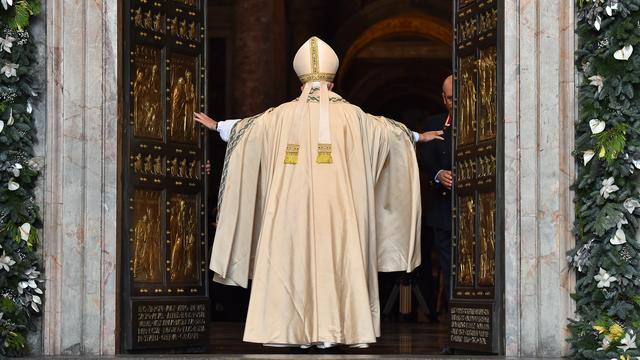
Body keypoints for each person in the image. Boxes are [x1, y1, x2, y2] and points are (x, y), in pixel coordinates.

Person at [195, 37, 443, 348]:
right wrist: (419, 136)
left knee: (291, 260)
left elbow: (246, 130)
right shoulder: (354, 116)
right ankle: (334, 332)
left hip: (289, 214)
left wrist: (218, 125)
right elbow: (391, 133)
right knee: (337, 260)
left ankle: (286, 333)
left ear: (300, 84)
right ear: (333, 82)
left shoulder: (278, 116)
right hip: (340, 213)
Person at [416, 75, 454, 321]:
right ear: (443, 99)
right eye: (451, 98)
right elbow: (423, 159)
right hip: (443, 210)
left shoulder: (486, 120)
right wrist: (439, 174)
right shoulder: (435, 123)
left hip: (481, 209)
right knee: (450, 268)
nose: (456, 102)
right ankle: (458, 325)